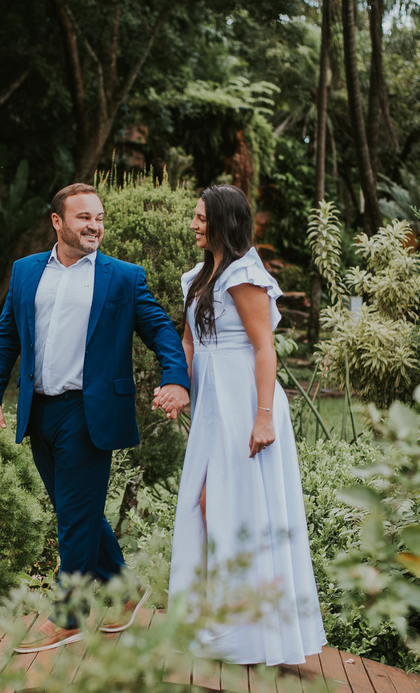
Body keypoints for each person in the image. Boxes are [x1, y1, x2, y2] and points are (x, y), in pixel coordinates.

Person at [0, 183, 191, 653]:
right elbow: (5, 334)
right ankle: (127, 592)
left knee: (73, 520)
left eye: (99, 217)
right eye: (83, 218)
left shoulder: (123, 277)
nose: (94, 225)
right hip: (39, 410)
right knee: (79, 514)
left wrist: (176, 378)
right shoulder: (25, 271)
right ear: (58, 222)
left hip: (89, 412)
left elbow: (160, 329)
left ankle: (69, 615)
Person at [154, 185, 326, 666]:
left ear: (224, 223)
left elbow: (264, 348)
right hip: (212, 404)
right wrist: (176, 387)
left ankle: (248, 634)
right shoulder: (197, 275)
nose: (193, 224)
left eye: (200, 218)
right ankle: (213, 619)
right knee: (201, 506)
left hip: (246, 402)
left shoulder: (245, 276)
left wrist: (264, 416)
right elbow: (188, 341)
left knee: (231, 507)